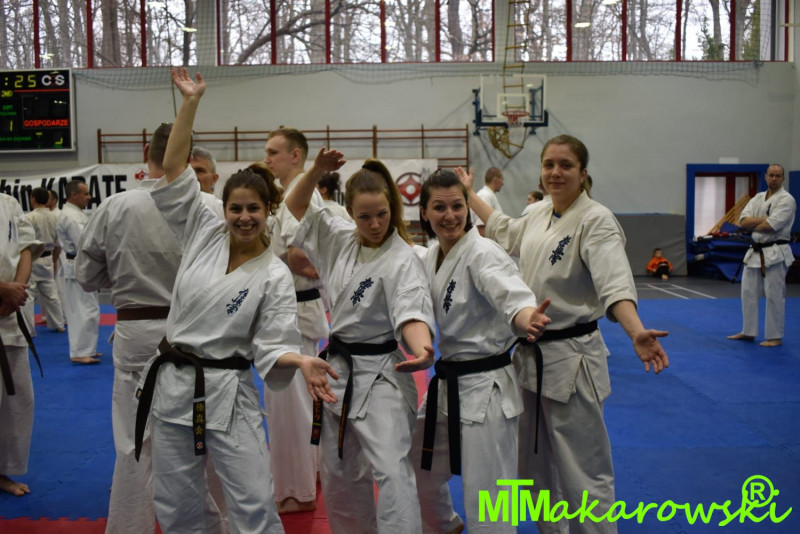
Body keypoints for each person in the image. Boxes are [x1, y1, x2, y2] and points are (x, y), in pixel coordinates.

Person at [135, 67, 337, 534]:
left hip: (229, 393)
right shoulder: (203, 231)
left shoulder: (273, 274)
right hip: (173, 386)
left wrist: (300, 361)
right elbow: (174, 166)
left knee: (253, 502)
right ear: (222, 209)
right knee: (176, 504)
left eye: (253, 209)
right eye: (235, 208)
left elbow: (274, 341)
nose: (244, 217)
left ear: (269, 211)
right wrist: (190, 103)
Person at [459, 134, 669, 534]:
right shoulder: (539, 212)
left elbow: (615, 285)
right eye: (549, 164)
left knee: (583, 472)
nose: (556, 172)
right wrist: (468, 194)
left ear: (583, 173)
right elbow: (502, 228)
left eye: (566, 165)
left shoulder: (596, 220)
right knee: (534, 468)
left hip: (573, 359)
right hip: (530, 357)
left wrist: (636, 331)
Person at [77, 123, 226, 534]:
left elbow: (86, 277)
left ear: (147, 152)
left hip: (136, 331)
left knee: (134, 442)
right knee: (204, 438)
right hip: (199, 336)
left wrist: (125, 278)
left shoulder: (115, 207)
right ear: (188, 156)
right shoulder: (211, 207)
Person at [285, 150, 437, 534]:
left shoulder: (403, 258)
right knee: (339, 471)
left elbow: (411, 312)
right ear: (349, 212)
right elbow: (295, 207)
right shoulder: (338, 238)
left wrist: (421, 348)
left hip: (382, 373)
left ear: (393, 209)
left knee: (391, 471)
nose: (375, 224)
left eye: (382, 214)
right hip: (337, 371)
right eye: (364, 216)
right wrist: (315, 170)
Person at [409, 169, 551, 534]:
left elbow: (512, 296)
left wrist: (527, 318)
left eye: (457, 206)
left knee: (490, 495)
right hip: (447, 383)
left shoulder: (484, 253)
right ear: (424, 212)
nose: (450, 215)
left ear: (468, 208)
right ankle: (444, 523)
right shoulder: (429, 256)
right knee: (417, 465)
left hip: (487, 388)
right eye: (439, 207)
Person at [263, 126, 329, 513]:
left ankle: (294, 491)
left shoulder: (299, 195)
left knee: (288, 407)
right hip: (296, 310)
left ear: (296, 155)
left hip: (292, 310)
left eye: (273, 152)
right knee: (301, 402)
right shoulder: (293, 194)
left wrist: (315, 271)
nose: (267, 158)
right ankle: (310, 473)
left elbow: (301, 254)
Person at [728, 164, 796, 347]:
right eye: (771, 175)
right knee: (748, 292)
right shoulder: (758, 198)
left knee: (774, 294)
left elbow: (771, 226)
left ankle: (775, 336)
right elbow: (742, 221)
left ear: (783, 178)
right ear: (766, 177)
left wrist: (755, 223)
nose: (774, 178)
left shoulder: (787, 200)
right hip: (755, 251)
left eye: (778, 175)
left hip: (775, 251)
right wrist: (763, 220)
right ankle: (748, 331)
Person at [0, 192, 39, 496]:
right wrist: (3, 289)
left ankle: (2, 471)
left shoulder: (8, 203)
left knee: (16, 402)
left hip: (10, 315)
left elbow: (26, 247)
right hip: (6, 297)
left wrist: (17, 290)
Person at [56, 180, 101, 365]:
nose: (89, 197)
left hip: (81, 264)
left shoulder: (75, 213)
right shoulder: (71, 216)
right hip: (78, 264)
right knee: (81, 310)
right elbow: (84, 243)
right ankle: (79, 352)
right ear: (74, 195)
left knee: (89, 308)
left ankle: (88, 348)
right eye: (85, 193)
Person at [24, 187, 65, 333]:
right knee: (51, 294)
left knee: (29, 295)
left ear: (33, 199)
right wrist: (54, 260)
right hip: (48, 257)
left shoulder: (29, 218)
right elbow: (58, 243)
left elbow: (25, 243)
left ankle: (29, 329)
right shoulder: (55, 217)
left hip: (32, 259)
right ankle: (58, 324)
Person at [190, 146, 225, 218]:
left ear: (214, 179)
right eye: (188, 171)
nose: (193, 176)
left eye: (199, 171)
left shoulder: (223, 211)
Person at [473, 167, 504, 235]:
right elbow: (481, 228)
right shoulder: (485, 196)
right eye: (502, 179)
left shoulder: (489, 195)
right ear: (495, 180)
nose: (502, 183)